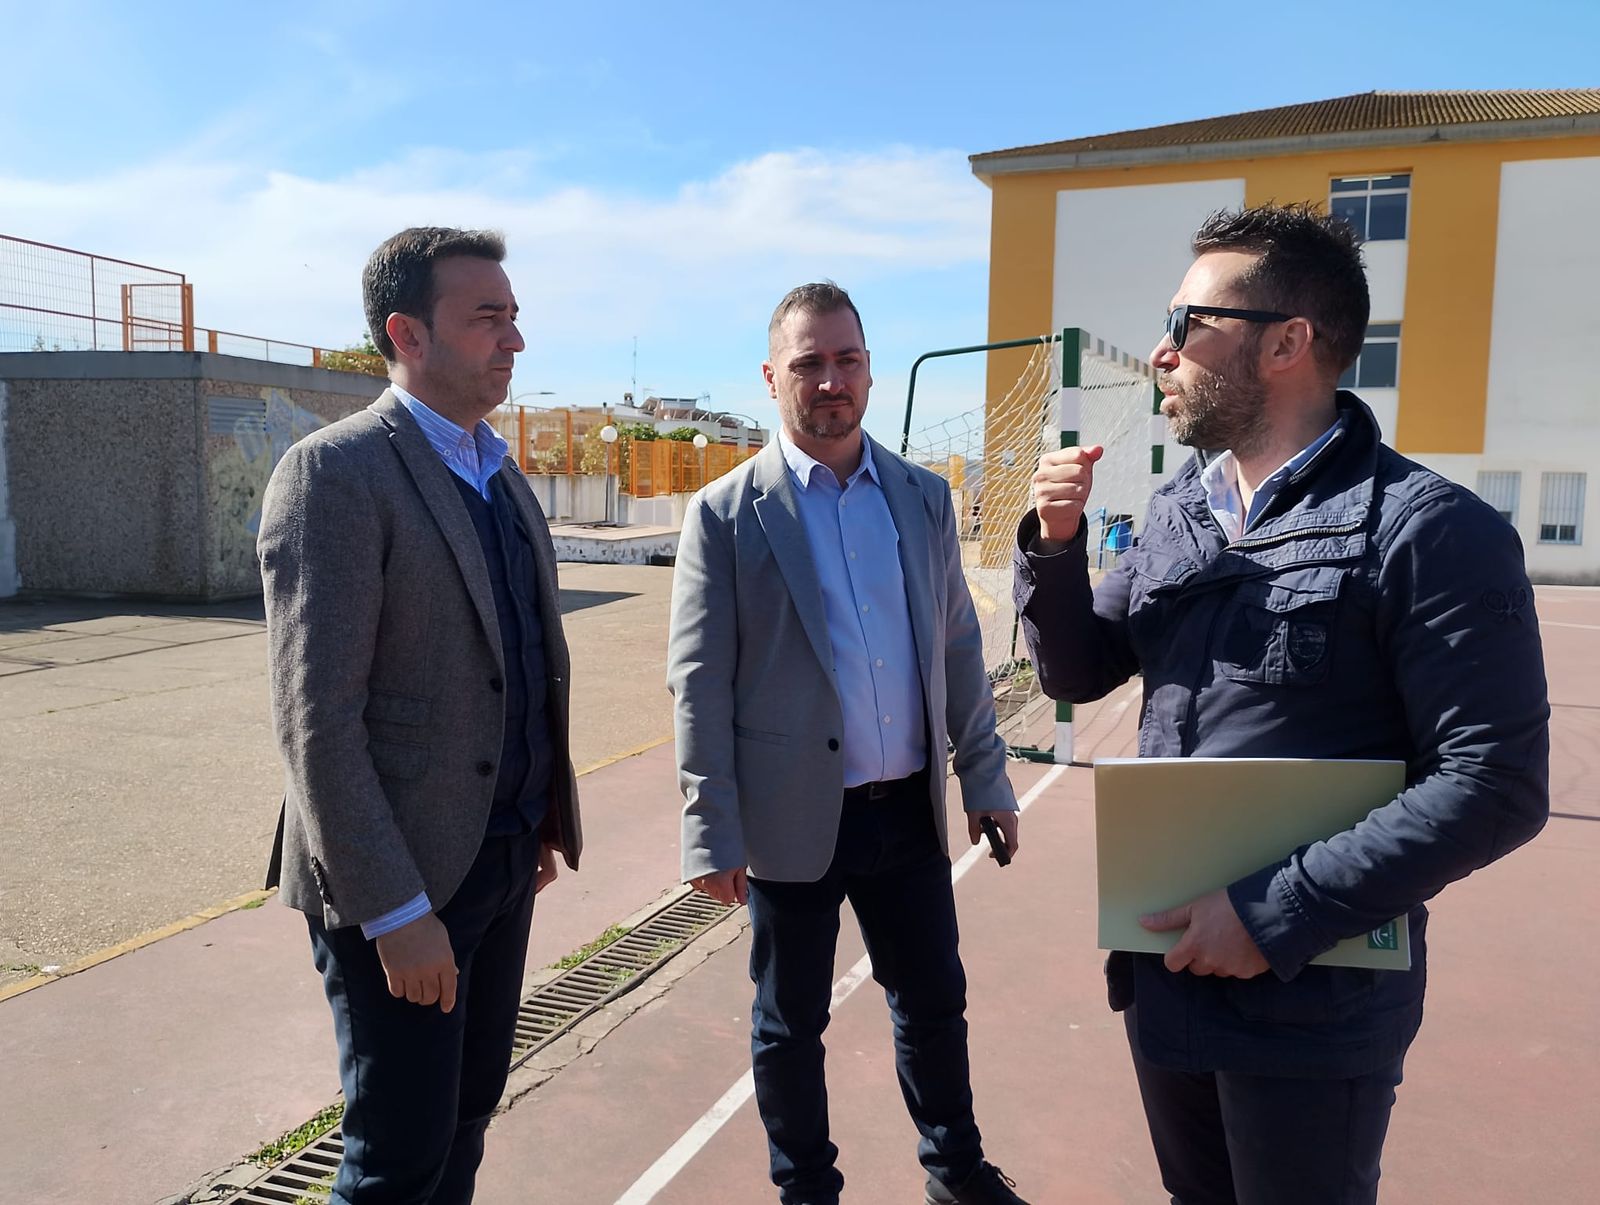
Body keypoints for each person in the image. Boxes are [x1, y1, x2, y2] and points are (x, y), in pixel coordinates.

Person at [1015, 203, 1550, 1205]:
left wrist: (1271, 912)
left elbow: (1496, 785)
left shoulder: (1428, 531)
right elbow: (1076, 671)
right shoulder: (1179, 510)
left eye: (1187, 324)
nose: (1162, 352)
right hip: (1168, 970)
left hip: (1312, 996)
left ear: (1287, 342)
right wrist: (1053, 545)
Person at [668, 282, 1030, 1205]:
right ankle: (806, 1191)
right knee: (789, 1024)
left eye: (847, 360)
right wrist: (711, 828)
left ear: (869, 370)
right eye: (809, 363)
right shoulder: (725, 514)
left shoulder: (921, 497)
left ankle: (956, 1172)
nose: (830, 380)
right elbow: (698, 682)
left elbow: (957, 645)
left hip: (906, 809)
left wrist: (985, 776)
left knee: (934, 1003)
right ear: (771, 377)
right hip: (790, 818)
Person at [259, 226, 583, 1204]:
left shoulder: (501, 475)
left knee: (467, 1115)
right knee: (396, 1156)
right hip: (398, 880)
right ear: (407, 333)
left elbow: (518, 661)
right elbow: (316, 720)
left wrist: (535, 819)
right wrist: (395, 912)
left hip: (502, 857)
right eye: (487, 318)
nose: (513, 339)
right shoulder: (336, 473)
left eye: (514, 316)